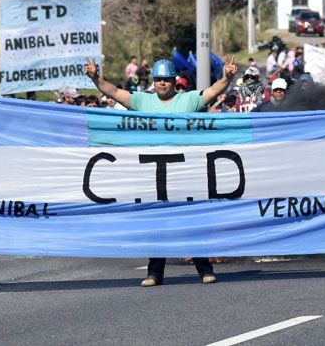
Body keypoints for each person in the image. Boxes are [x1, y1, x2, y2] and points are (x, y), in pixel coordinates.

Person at [85, 56, 238, 287]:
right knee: (156, 225)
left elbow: (214, 91)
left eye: (166, 80)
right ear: (154, 82)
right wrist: (96, 78)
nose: (162, 84)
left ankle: (205, 270)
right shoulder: (142, 101)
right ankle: (154, 274)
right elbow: (115, 92)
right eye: (159, 80)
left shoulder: (188, 100)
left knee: (191, 223)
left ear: (174, 81)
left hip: (184, 173)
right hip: (153, 176)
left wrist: (227, 76)